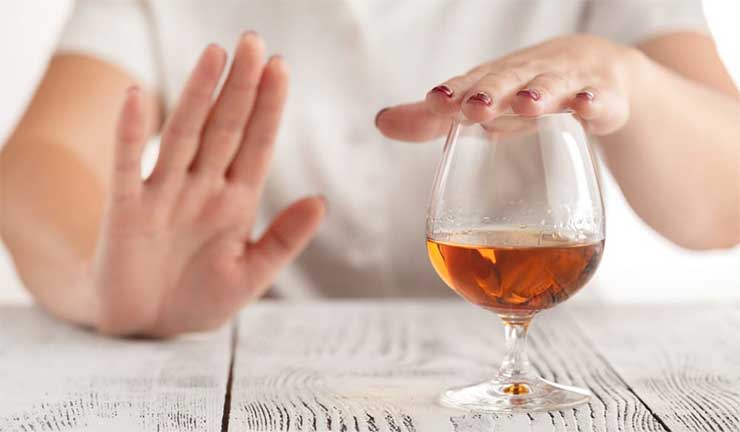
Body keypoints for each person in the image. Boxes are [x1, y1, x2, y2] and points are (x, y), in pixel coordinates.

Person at [0, 0, 738, 337]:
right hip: (262, 380)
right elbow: (40, 165)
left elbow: (722, 205)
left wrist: (628, 79)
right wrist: (101, 281)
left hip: (553, 371)